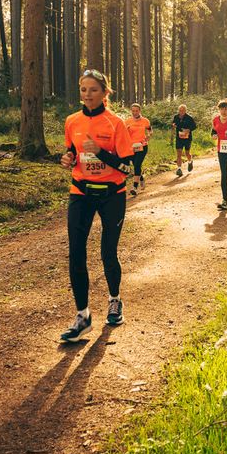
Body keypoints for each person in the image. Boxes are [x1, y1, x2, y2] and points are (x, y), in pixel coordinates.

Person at [58, 70, 133, 342]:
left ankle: (115, 300)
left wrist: (101, 153)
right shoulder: (72, 121)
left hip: (112, 193)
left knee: (107, 252)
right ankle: (83, 316)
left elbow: (128, 166)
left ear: (105, 93)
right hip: (81, 191)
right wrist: (66, 159)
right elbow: (72, 153)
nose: (87, 95)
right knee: (76, 252)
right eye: (83, 89)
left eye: (93, 90)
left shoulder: (116, 123)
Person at [124, 103, 152, 193]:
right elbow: (123, 134)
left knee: (137, 165)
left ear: (139, 111)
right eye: (133, 111)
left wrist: (149, 135)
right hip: (131, 147)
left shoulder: (145, 121)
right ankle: (141, 178)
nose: (134, 112)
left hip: (142, 146)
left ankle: (134, 188)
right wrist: (126, 130)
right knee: (135, 165)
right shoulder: (127, 121)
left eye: (136, 111)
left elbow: (150, 130)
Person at [172, 104, 198, 176]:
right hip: (179, 137)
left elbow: (195, 126)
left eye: (183, 110)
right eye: (180, 110)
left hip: (187, 138)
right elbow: (174, 123)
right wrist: (173, 125)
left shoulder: (189, 118)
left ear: (185, 111)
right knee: (179, 153)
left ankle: (190, 161)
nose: (181, 112)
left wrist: (188, 130)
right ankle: (179, 169)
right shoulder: (176, 117)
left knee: (187, 153)